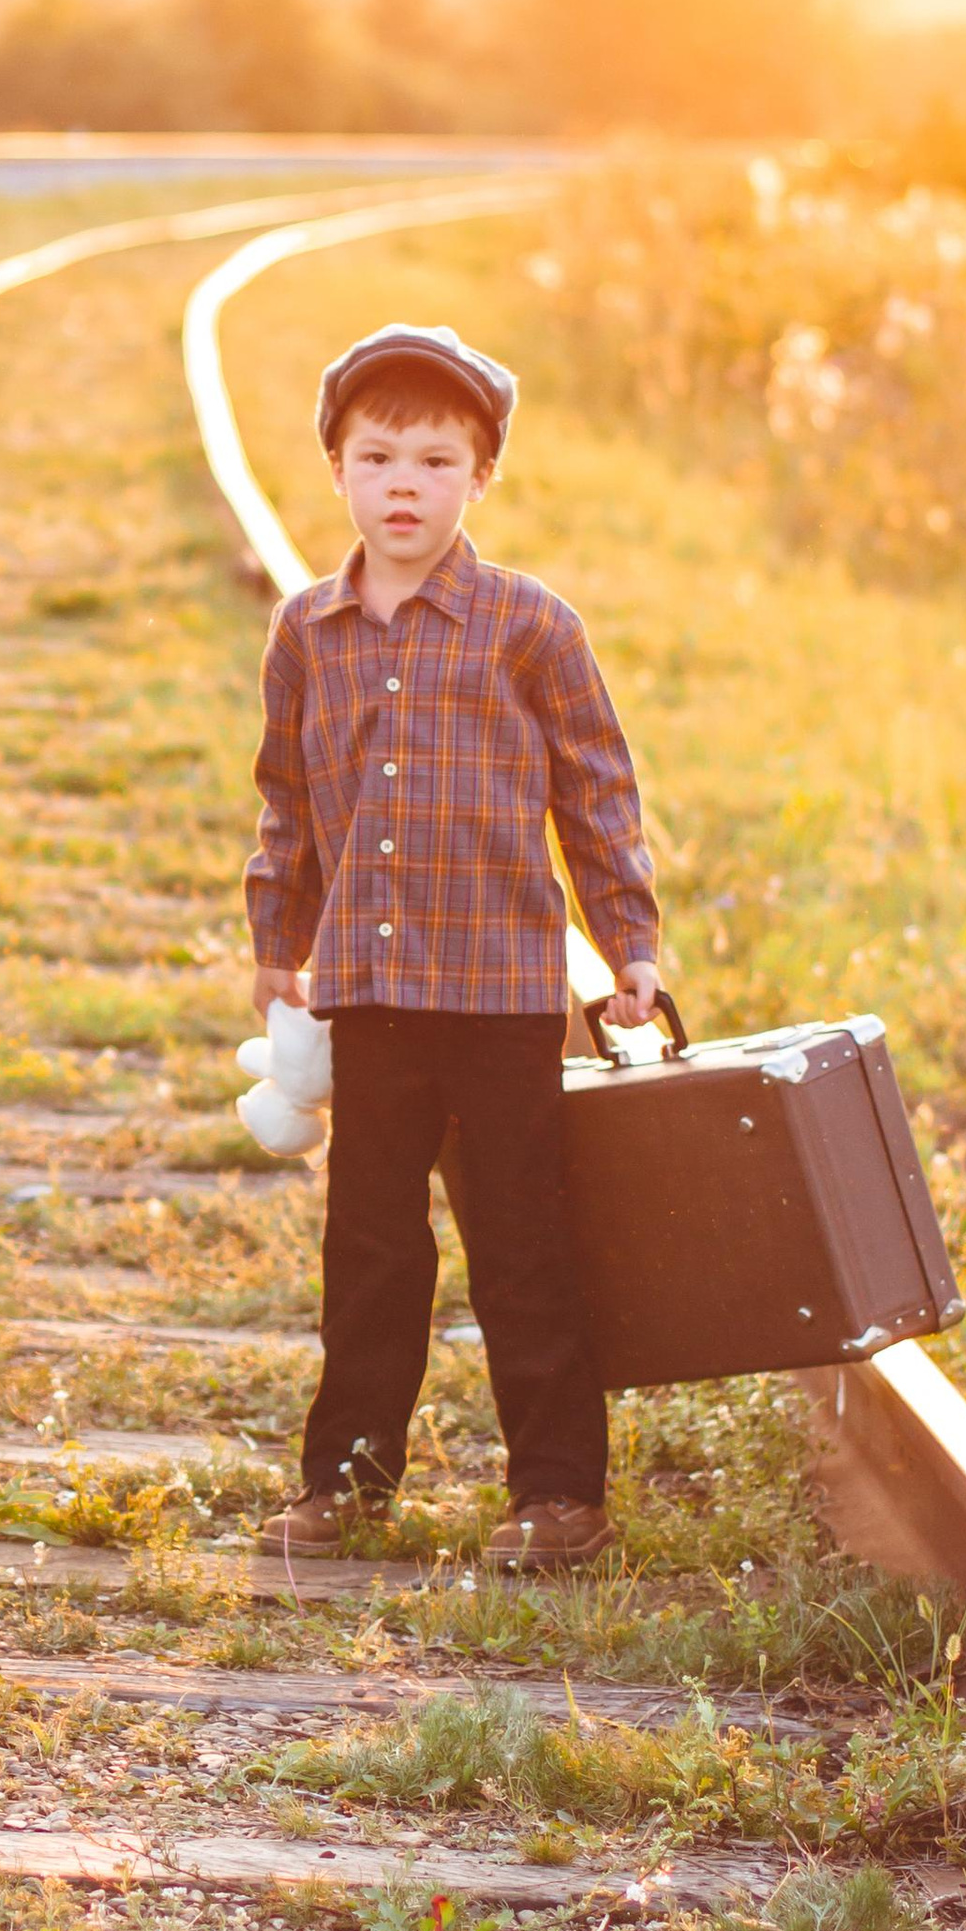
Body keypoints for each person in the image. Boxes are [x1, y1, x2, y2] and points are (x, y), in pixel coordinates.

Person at [245, 321, 662, 1567]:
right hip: (368, 995)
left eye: (434, 463)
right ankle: (349, 1478)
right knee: (369, 1247)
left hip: (498, 995)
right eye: (378, 461)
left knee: (522, 1243)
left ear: (481, 478)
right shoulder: (305, 632)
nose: (404, 487)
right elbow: (286, 801)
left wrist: (628, 940)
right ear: (338, 471)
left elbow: (598, 792)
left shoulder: (531, 627)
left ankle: (556, 1493)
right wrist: (280, 937)